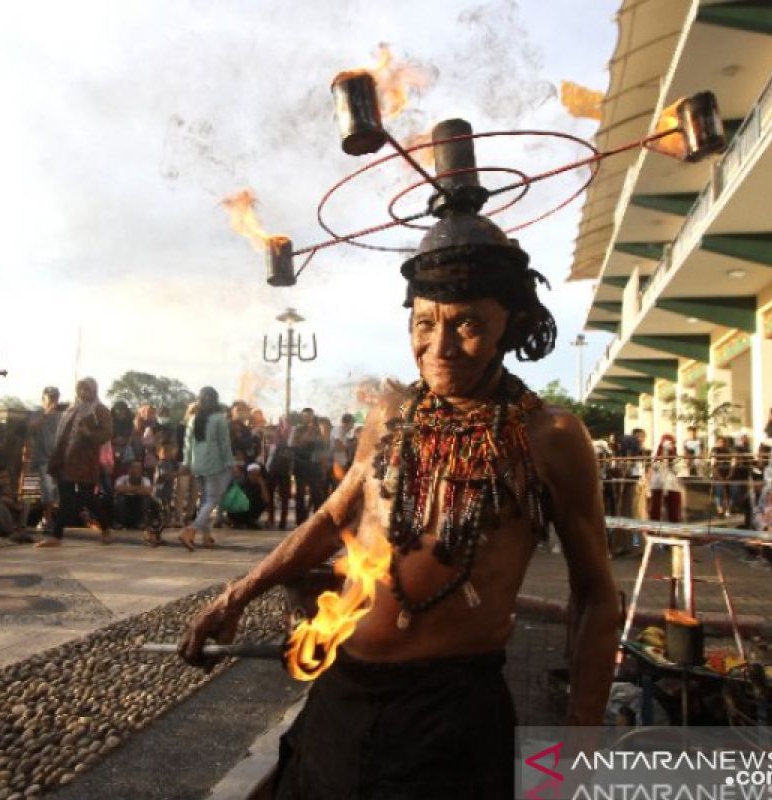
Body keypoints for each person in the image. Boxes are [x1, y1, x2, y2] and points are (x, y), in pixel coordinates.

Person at [180, 202, 618, 798]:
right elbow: (336, 516)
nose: (439, 346)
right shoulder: (391, 415)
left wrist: (580, 741)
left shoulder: (552, 438)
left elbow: (594, 592)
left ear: (510, 323)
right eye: (423, 323)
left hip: (452, 715)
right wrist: (237, 594)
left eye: (466, 324)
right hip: (345, 691)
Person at [38, 378, 113, 547]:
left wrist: (88, 433)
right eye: (81, 390)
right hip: (66, 460)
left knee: (87, 498)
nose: (83, 393)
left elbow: (107, 433)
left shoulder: (100, 411)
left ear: (94, 391)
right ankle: (57, 536)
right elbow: (63, 435)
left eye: (87, 390)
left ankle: (106, 528)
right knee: (65, 498)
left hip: (84, 460)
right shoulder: (72, 409)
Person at [180, 386, 234, 550]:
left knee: (204, 500)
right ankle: (191, 530)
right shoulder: (219, 418)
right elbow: (224, 444)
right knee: (212, 499)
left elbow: (187, 444)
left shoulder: (192, 418)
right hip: (214, 463)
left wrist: (186, 463)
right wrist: (230, 463)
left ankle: (206, 536)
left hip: (197, 464)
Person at [27, 387, 63, 531]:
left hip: (51, 459)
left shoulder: (61, 416)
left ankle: (48, 520)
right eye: (50, 398)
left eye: (55, 398)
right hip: (36, 458)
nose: (53, 400)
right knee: (29, 491)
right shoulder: (37, 413)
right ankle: (24, 521)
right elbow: (31, 428)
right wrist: (45, 414)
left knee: (49, 492)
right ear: (43, 399)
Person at [289, 408, 325, 526]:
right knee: (300, 494)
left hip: (314, 466)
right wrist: (308, 434)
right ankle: (300, 521)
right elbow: (292, 445)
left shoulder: (318, 430)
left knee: (316, 494)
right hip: (301, 465)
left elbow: (323, 446)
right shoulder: (297, 429)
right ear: (302, 417)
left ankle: (317, 520)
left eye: (310, 416)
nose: (308, 419)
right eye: (306, 416)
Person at [649, 434, 683, 523]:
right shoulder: (656, 453)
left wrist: (672, 458)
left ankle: (674, 531)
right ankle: (654, 530)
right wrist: (661, 456)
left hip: (672, 485)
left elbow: (678, 469)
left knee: (674, 510)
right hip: (658, 484)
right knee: (655, 509)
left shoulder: (676, 455)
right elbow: (656, 466)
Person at [113, 460, 154, 533]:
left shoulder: (145, 480)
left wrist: (128, 489)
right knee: (120, 497)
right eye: (134, 467)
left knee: (147, 498)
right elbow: (118, 488)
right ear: (129, 469)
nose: (136, 470)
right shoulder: (122, 478)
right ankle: (121, 523)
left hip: (138, 508)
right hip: (125, 509)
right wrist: (138, 489)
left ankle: (141, 522)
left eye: (139, 468)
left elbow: (147, 491)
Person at [227, 462, 269, 529]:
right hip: (238, 511)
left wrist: (262, 485)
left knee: (262, 502)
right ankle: (238, 522)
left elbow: (266, 500)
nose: (255, 477)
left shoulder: (259, 484)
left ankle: (251, 521)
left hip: (249, 511)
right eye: (253, 474)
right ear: (248, 474)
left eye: (257, 475)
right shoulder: (242, 483)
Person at [710, 435, 733, 517]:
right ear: (717, 443)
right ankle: (720, 509)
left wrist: (730, 474)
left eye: (724, 442)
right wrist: (719, 476)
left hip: (727, 475)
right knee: (719, 491)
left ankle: (727, 509)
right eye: (720, 442)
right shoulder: (715, 450)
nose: (722, 443)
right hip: (718, 475)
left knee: (729, 492)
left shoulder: (728, 451)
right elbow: (713, 465)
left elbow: (732, 464)